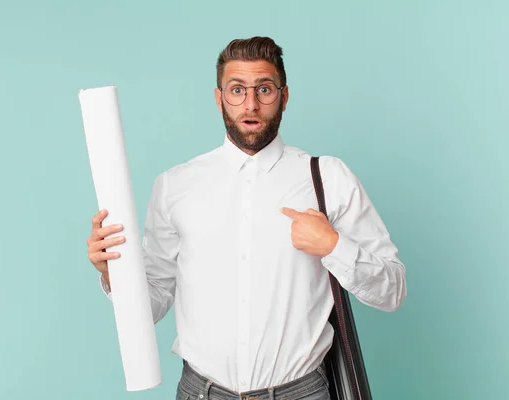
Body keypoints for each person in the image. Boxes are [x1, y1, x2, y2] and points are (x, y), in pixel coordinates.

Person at [86, 36, 407, 400]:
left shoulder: (328, 179)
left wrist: (334, 246)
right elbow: (156, 299)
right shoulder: (175, 185)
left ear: (284, 96)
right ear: (219, 97)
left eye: (264, 89)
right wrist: (116, 275)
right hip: (200, 393)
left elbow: (392, 290)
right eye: (237, 90)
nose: (251, 103)